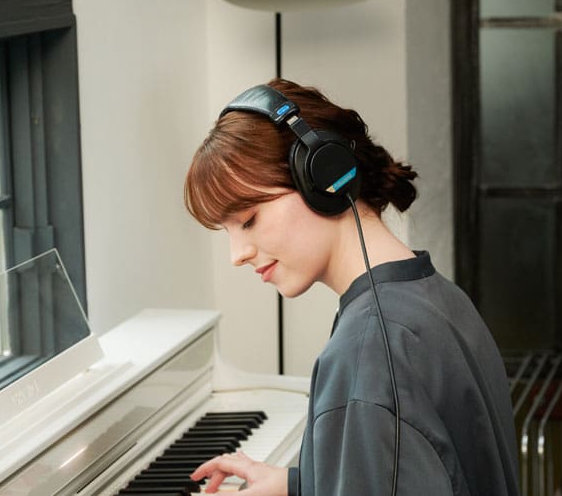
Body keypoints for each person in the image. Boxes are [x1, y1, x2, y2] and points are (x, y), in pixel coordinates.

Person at [184, 78, 519, 496]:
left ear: (324, 178)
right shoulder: (437, 297)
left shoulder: (367, 352)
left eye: (249, 219)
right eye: (227, 231)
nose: (237, 254)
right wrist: (298, 483)